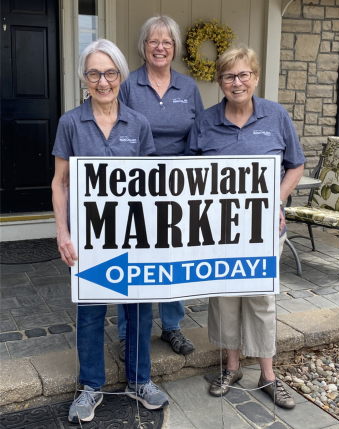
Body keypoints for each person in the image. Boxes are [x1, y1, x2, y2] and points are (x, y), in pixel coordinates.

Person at [51, 39, 169, 424]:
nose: (103, 82)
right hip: (88, 237)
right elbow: (61, 182)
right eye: (94, 73)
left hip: (133, 235)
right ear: (85, 79)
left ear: (120, 75)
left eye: (110, 73)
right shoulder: (71, 121)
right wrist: (62, 232)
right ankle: (91, 386)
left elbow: (153, 183)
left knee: (138, 310)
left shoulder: (138, 123)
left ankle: (139, 380)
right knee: (90, 312)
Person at [186, 44, 305, 408]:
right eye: (228, 76)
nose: (236, 82)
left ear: (254, 77)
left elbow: (295, 165)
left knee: (261, 299)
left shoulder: (276, 115)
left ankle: (268, 375)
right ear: (220, 81)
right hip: (219, 230)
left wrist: (278, 199)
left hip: (264, 229)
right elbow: (189, 174)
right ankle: (232, 367)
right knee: (224, 298)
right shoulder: (205, 121)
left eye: (243, 75)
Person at [117, 15, 204, 360]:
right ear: (143, 46)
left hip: (177, 187)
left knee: (172, 255)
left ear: (175, 48)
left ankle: (172, 326)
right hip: (136, 186)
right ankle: (129, 334)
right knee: (134, 256)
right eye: (153, 41)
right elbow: (119, 131)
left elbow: (198, 136)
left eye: (166, 42)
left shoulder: (189, 88)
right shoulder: (128, 85)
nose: (160, 47)